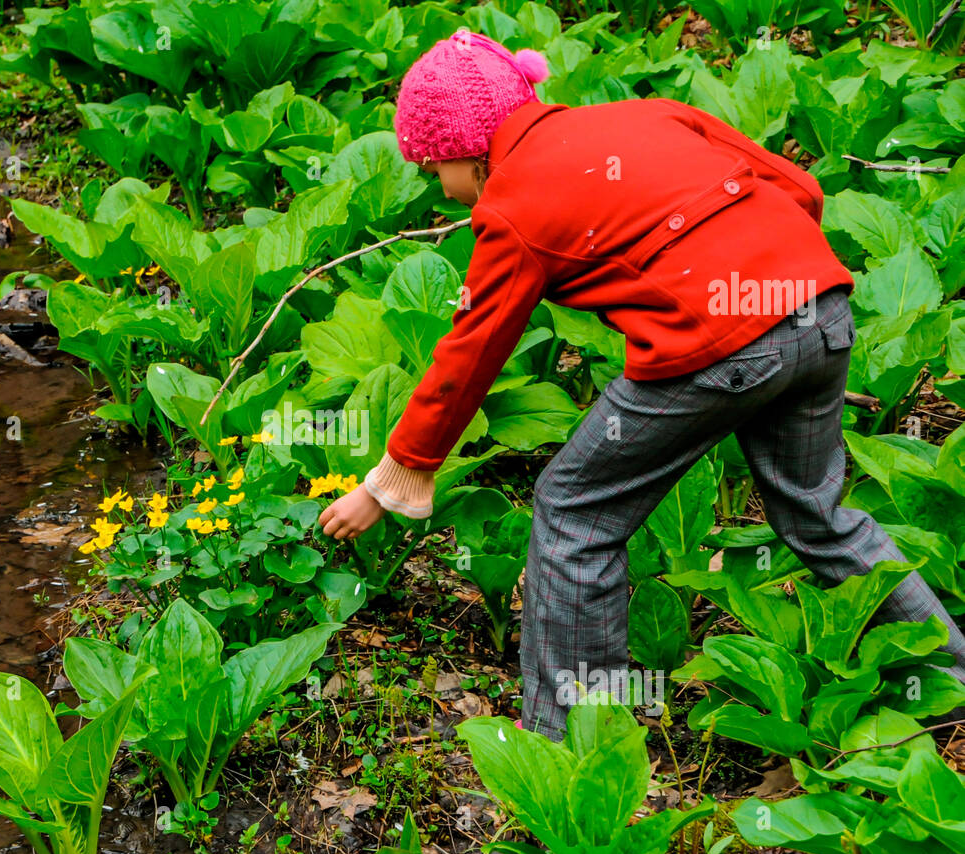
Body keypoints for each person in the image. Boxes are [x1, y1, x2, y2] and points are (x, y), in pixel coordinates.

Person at [315, 29, 965, 741]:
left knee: (572, 511)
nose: (440, 188)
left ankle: (570, 750)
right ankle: (951, 682)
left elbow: (469, 353)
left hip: (719, 344)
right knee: (819, 515)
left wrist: (392, 477)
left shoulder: (511, 208)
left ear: (468, 154)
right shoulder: (650, 112)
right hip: (820, 309)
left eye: (433, 167)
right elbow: (801, 187)